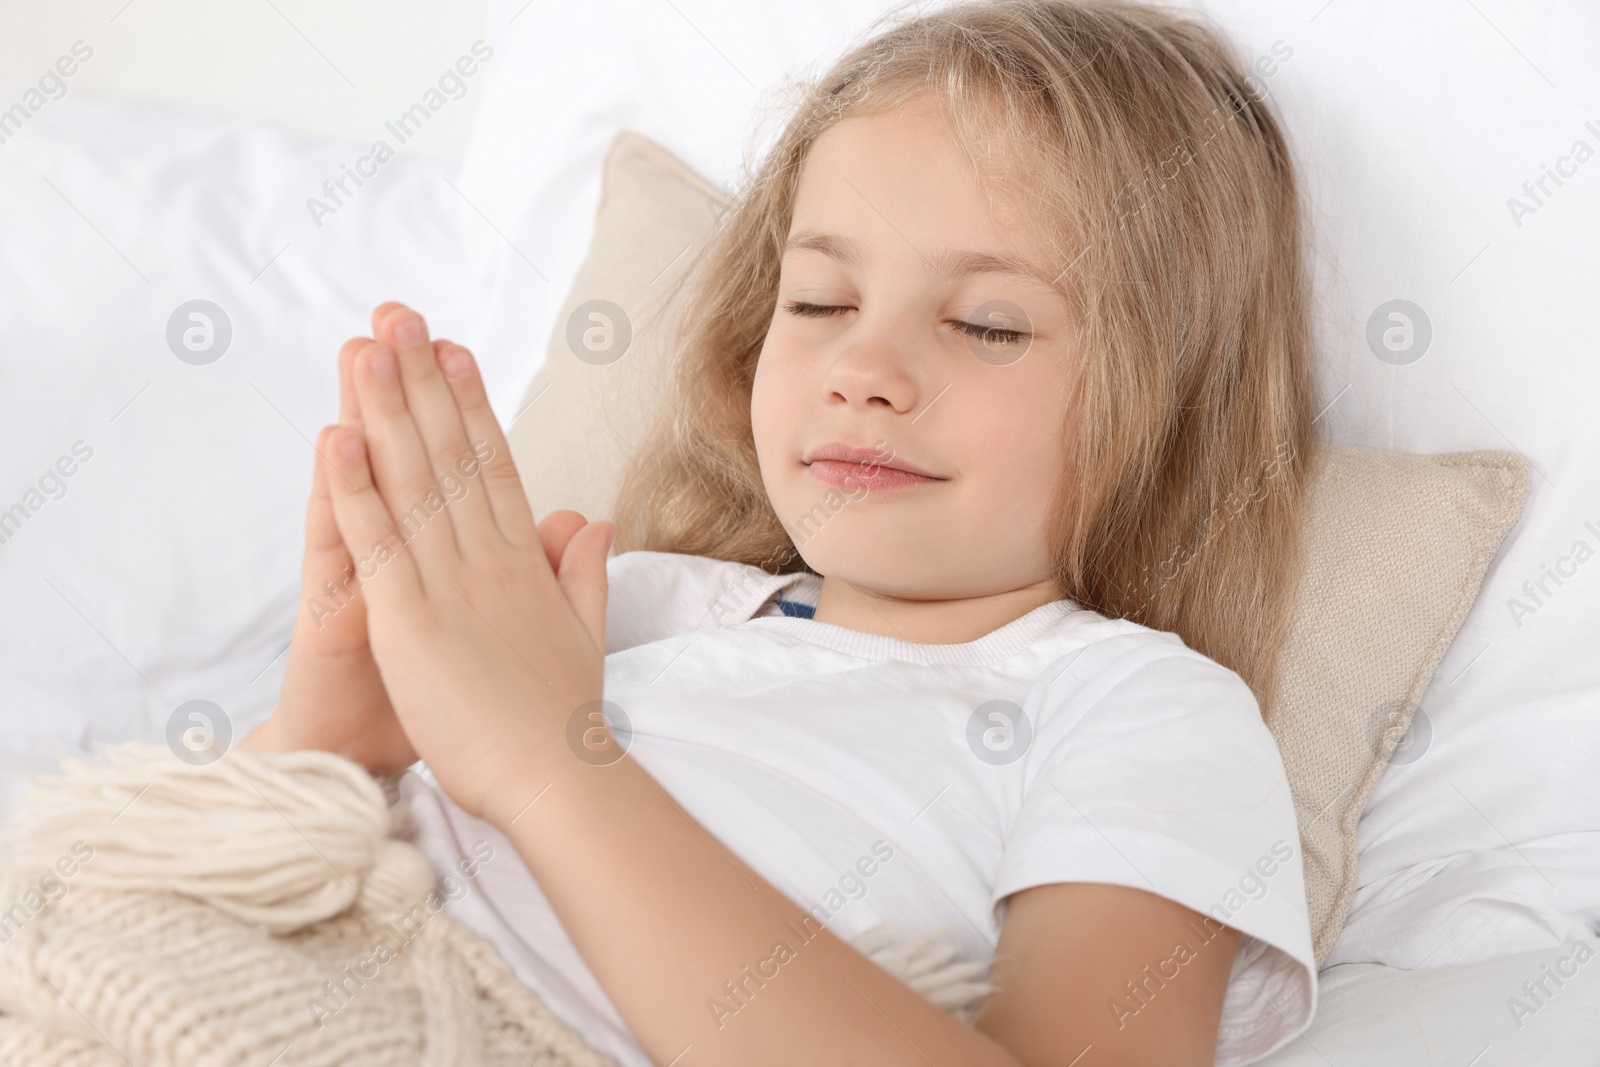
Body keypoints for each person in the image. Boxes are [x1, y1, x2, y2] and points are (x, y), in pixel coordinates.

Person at [243, 1, 1321, 1062]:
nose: (863, 370)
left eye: (986, 322)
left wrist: (542, 761)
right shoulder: (629, 600)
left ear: (1173, 405)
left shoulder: (1141, 707)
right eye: (818, 301)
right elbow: (202, 894)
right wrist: (333, 743)